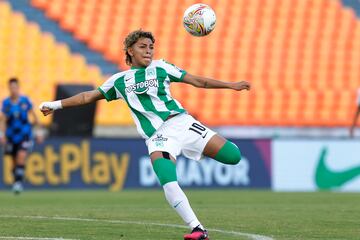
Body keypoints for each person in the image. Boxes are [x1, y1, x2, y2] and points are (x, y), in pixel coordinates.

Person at [39, 30, 251, 240]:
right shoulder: (119, 81)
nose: (148, 51)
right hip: (159, 136)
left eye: (151, 47)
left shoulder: (162, 67)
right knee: (168, 180)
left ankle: (196, 151)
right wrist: (55, 105)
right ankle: (197, 229)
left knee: (233, 156)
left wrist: (230, 85)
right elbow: (87, 96)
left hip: (183, 123)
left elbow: (197, 81)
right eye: (143, 47)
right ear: (130, 51)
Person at [0, 78, 41, 194]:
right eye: (11, 87)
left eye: (15, 87)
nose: (13, 90)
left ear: (18, 88)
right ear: (9, 88)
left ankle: (18, 183)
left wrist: (39, 132)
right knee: (13, 161)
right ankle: (16, 180)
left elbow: (34, 116)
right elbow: (2, 120)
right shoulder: (6, 103)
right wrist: (2, 134)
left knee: (21, 155)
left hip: (25, 134)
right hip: (11, 135)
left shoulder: (25, 101)